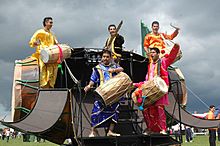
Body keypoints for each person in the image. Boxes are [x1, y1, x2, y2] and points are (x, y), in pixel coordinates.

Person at [134, 44, 180, 135]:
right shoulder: (150, 65)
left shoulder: (163, 62)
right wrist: (137, 84)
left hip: (159, 90)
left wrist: (176, 47)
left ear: (158, 54)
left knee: (159, 110)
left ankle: (163, 129)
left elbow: (171, 57)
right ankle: (150, 129)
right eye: (150, 52)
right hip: (150, 90)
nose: (151, 54)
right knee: (147, 110)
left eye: (154, 52)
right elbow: (147, 79)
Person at [84, 49, 124, 137]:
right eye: (104, 57)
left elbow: (122, 69)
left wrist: (114, 70)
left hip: (113, 93)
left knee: (115, 111)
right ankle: (93, 131)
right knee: (96, 110)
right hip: (102, 92)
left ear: (110, 58)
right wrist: (89, 86)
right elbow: (93, 79)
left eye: (107, 57)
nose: (105, 58)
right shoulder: (97, 68)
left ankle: (110, 131)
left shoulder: (114, 66)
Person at [29, 17, 59, 88]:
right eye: (50, 22)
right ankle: (43, 87)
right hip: (42, 54)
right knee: (43, 69)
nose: (52, 24)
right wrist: (36, 43)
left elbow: (56, 43)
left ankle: (50, 87)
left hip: (51, 54)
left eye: (52, 23)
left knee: (52, 71)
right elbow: (31, 42)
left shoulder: (52, 34)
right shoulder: (39, 32)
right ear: (46, 23)